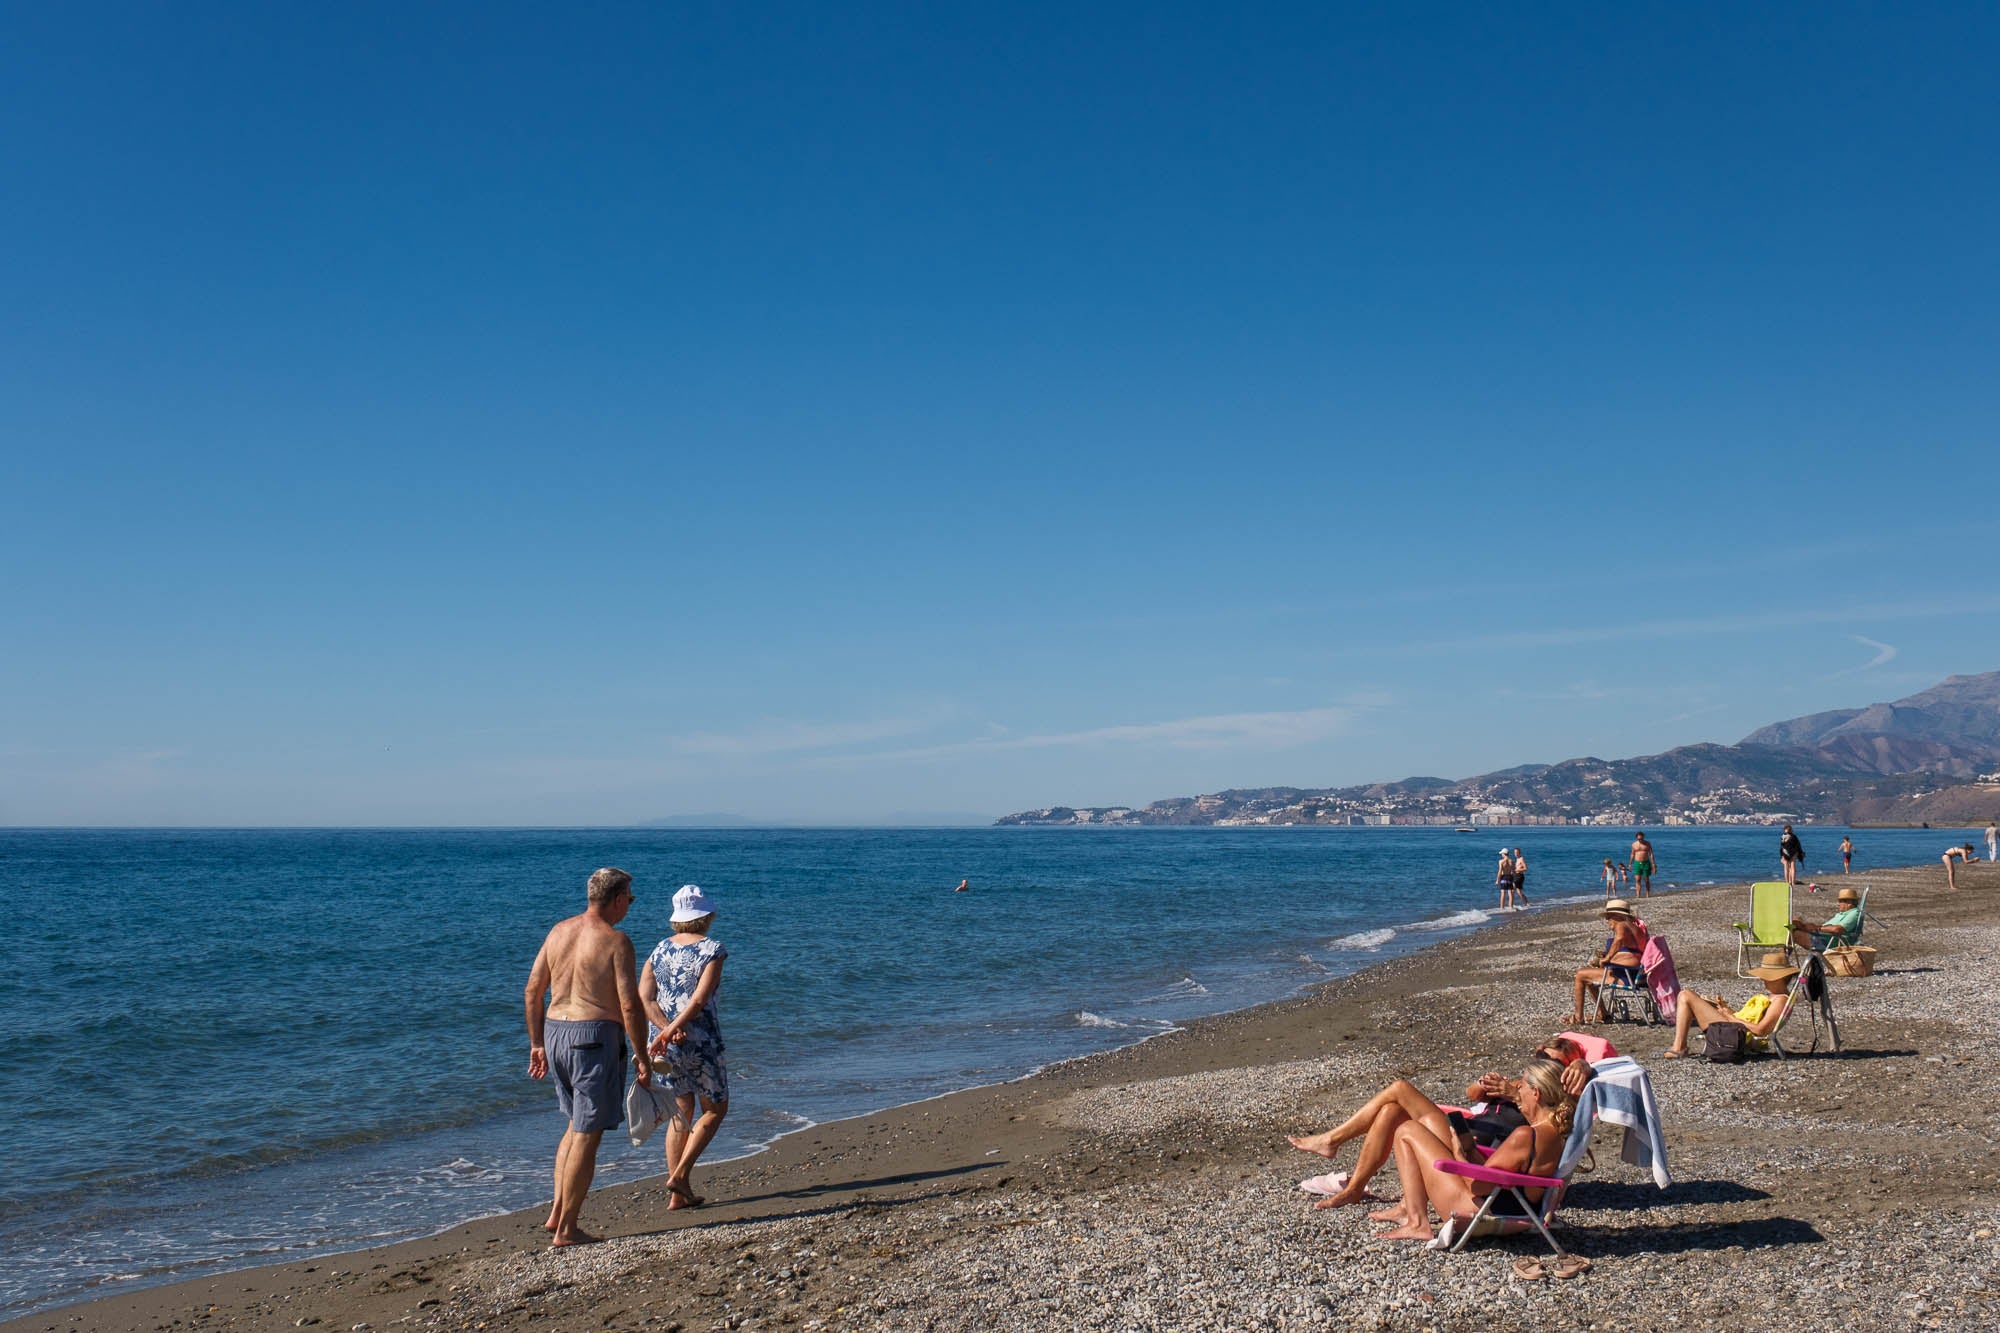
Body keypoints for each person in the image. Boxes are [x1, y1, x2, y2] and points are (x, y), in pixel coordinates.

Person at [1285, 1040, 1591, 1210]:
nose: (1540, 1061)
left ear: (1562, 1074)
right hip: (1472, 1134)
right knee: (1393, 1106)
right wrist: (1488, 1086)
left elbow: (1485, 1179)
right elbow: (1471, 1094)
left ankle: (1333, 1143)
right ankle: (1354, 1186)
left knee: (1400, 1096)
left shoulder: (1546, 1107)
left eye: (1548, 1061)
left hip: (1480, 1147)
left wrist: (1583, 1065)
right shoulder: (1526, 1086)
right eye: (1540, 1056)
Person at [525, 867, 653, 1247]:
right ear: (616, 900)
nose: (628, 906)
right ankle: (567, 1229)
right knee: (587, 1132)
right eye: (629, 900)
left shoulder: (558, 931)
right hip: (593, 1037)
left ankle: (556, 1213)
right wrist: (642, 1056)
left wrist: (536, 1044)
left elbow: (533, 991)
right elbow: (629, 1006)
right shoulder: (616, 941)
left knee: (573, 1126)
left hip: (555, 1031)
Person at [1368, 1060, 1572, 1243]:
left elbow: (1477, 1187)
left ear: (1536, 1093)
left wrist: (1459, 1154)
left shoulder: (1525, 1135)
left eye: (1522, 1087)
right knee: (1429, 1122)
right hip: (1514, 1205)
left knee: (1407, 1130)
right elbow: (1506, 1174)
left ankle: (1417, 1222)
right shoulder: (1557, 1133)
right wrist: (1472, 1152)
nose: (1517, 1092)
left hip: (1480, 1207)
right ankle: (1408, 1210)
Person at [640, 884, 730, 1210]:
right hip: (701, 1040)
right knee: (715, 1109)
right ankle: (679, 1176)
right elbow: (699, 1000)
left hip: (665, 1045)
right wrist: (676, 1028)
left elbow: (645, 998)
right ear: (705, 915)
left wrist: (664, 1031)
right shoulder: (712, 950)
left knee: (681, 1111)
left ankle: (678, 1197)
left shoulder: (659, 949)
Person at [1662, 952, 1797, 1058]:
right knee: (1691, 998)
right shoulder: (1775, 997)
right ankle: (1680, 1046)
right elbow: (1749, 1019)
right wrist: (1725, 1009)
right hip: (1735, 1032)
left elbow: (1760, 1030)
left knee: (1686, 995)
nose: (1762, 979)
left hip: (1736, 1038)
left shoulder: (1780, 1001)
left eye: (1766, 976)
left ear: (1778, 978)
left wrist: (1730, 1018)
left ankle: (1679, 1047)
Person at [1569, 899, 1647, 1025]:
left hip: (1628, 976)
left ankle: (1578, 1017)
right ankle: (1603, 1013)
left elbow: (1619, 940)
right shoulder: (1635, 927)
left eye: (1609, 917)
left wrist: (1607, 959)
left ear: (1617, 916)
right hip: (1639, 974)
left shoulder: (1622, 924)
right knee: (1589, 977)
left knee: (1580, 974)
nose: (1607, 921)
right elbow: (1630, 951)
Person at [1792, 885, 1864, 952]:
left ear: (1849, 903)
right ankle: (1782, 957)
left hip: (1826, 942)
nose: (1838, 904)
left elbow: (1837, 929)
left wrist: (1817, 928)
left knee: (1791, 933)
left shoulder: (1854, 913)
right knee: (1796, 920)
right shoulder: (1843, 913)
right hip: (1822, 936)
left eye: (1840, 902)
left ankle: (1783, 959)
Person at [1629, 831, 1655, 897]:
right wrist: (1630, 864)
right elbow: (1632, 854)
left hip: (1645, 862)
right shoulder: (1634, 844)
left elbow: (1651, 853)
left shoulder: (1647, 844)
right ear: (1636, 838)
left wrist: (1653, 864)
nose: (1640, 840)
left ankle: (1648, 894)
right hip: (1637, 863)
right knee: (1637, 879)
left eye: (1641, 838)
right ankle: (1638, 895)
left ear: (1643, 837)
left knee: (1646, 879)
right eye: (1638, 839)